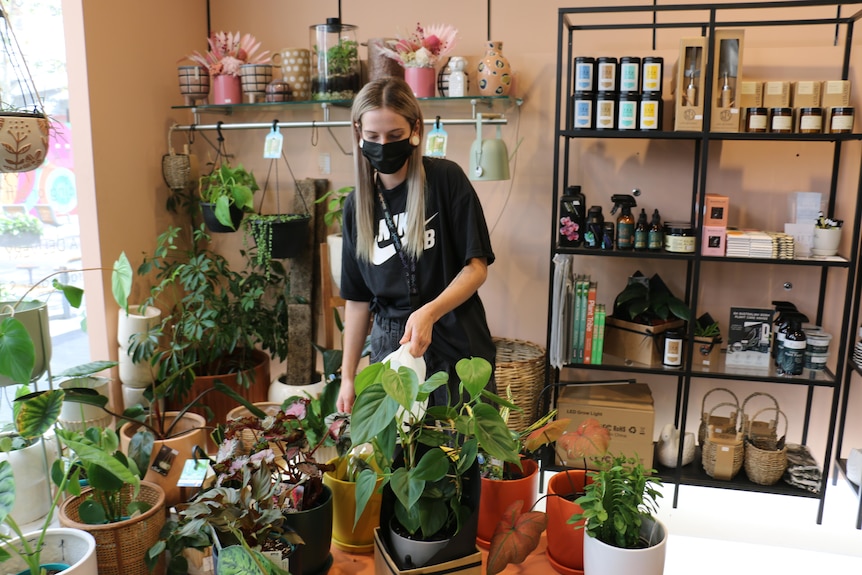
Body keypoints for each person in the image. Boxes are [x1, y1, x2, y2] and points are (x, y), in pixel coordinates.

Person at [335, 77, 496, 413]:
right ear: (358, 134)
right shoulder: (356, 207)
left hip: (454, 334)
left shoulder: (445, 181)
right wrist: (348, 376)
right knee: (398, 457)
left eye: (394, 136)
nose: (383, 145)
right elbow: (357, 302)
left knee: (459, 450)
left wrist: (429, 312)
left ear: (414, 129)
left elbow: (476, 268)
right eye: (373, 137)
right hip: (390, 345)